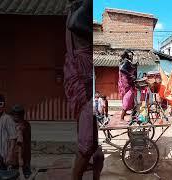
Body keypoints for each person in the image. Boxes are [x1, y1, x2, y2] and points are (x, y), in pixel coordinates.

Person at [64, 0, 104, 179]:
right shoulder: (83, 6)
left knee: (96, 151)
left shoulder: (74, 8)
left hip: (80, 74)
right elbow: (75, 25)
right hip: (82, 76)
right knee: (87, 146)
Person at [10, 105, 32, 179]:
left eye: (18, 115)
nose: (16, 117)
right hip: (16, 153)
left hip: (22, 152)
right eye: (15, 115)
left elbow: (23, 142)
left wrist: (20, 158)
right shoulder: (24, 124)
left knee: (21, 169)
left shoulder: (24, 125)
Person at [118, 49, 138, 121]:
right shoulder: (126, 62)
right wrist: (131, 75)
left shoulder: (125, 62)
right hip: (127, 84)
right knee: (127, 99)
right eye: (131, 55)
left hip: (126, 85)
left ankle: (132, 115)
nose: (132, 56)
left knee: (132, 100)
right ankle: (122, 118)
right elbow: (122, 69)